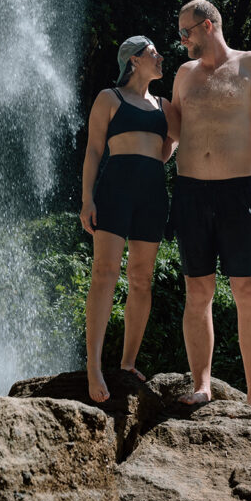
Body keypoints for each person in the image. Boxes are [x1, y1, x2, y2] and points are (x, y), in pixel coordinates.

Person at [169, 0, 251, 408]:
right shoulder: (183, 75)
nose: (181, 41)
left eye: (185, 32)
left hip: (242, 192)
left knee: (247, 290)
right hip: (190, 194)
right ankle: (202, 386)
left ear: (206, 26)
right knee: (197, 292)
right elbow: (171, 138)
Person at [80, 35, 178, 403]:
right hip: (115, 189)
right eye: (154, 53)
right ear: (135, 61)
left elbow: (170, 148)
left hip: (153, 194)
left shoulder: (164, 105)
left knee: (142, 278)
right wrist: (87, 198)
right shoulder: (110, 98)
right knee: (105, 272)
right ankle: (93, 366)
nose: (161, 57)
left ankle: (127, 363)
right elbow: (93, 150)